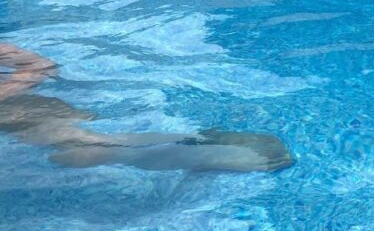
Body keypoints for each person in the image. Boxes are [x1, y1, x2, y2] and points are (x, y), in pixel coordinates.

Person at [0, 43, 292, 172]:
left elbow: (39, 65)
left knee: (71, 139)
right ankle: (187, 146)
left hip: (28, 109)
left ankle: (187, 149)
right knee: (71, 138)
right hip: (29, 109)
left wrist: (11, 88)